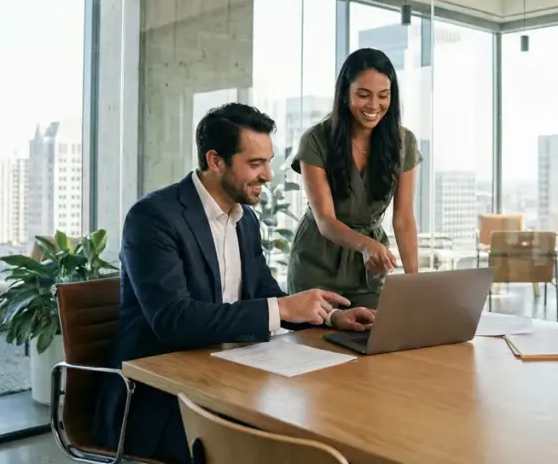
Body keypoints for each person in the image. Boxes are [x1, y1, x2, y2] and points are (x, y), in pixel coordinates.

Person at [92, 103, 376, 464]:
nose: (269, 175)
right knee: (280, 450)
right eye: (255, 164)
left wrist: (329, 316)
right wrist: (280, 308)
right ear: (215, 160)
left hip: (229, 380)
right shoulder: (153, 218)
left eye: (268, 161)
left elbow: (264, 296)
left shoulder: (246, 221)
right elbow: (173, 321)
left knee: (329, 423)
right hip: (159, 401)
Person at [287, 48, 422, 309]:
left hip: (368, 269)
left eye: (383, 96)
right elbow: (325, 221)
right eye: (363, 95)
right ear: (345, 95)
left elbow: (404, 219)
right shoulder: (315, 140)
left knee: (376, 339)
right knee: (317, 344)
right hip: (317, 262)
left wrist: (414, 282)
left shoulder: (404, 142)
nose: (374, 106)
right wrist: (366, 246)